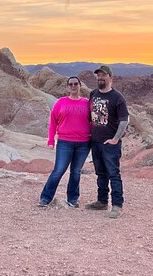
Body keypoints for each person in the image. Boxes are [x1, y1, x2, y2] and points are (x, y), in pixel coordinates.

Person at [39, 76, 91, 208]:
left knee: (76, 172)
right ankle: (45, 198)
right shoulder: (61, 103)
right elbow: (53, 122)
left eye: (76, 84)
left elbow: (93, 122)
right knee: (59, 170)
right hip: (64, 143)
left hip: (84, 143)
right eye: (71, 84)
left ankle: (73, 199)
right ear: (68, 87)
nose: (73, 86)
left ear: (80, 86)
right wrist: (51, 140)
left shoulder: (87, 103)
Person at [85, 65, 129, 219]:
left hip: (110, 144)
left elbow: (124, 121)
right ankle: (102, 201)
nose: (100, 78)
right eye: (98, 76)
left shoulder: (117, 98)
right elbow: (90, 116)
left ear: (111, 77)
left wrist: (115, 139)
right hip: (95, 142)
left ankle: (117, 204)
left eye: (103, 75)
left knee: (113, 174)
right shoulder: (93, 94)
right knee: (100, 173)